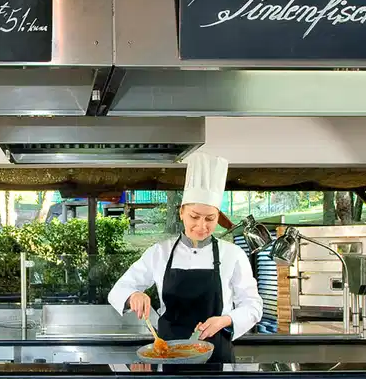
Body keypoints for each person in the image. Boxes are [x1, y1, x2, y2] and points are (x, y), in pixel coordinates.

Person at [107, 153, 263, 363]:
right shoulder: (159, 252)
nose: (201, 226)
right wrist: (133, 295)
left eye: (210, 219)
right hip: (167, 355)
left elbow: (253, 306)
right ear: (181, 212)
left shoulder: (232, 254)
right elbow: (118, 290)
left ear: (218, 216)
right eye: (194, 217)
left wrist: (226, 320)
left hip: (217, 355)